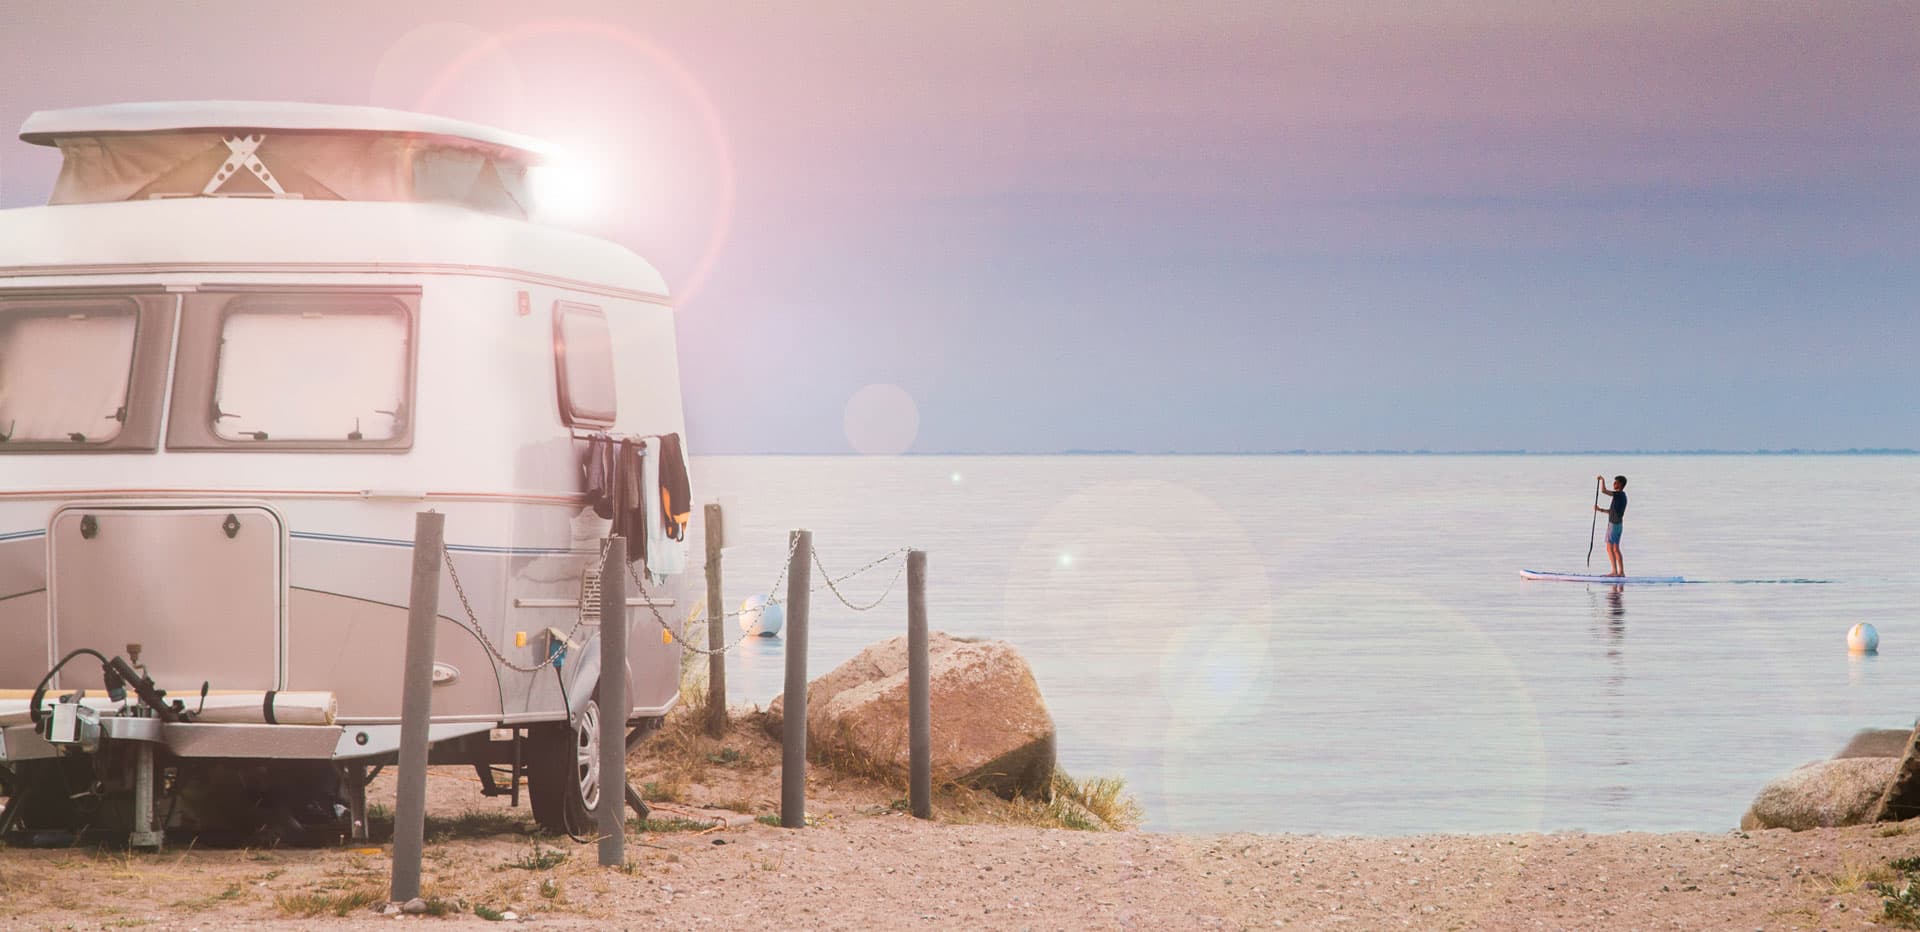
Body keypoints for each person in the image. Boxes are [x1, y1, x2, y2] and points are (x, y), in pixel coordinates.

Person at [1594, 475, 1628, 577]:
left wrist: (1602, 480)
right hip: (1619, 525)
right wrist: (1600, 510)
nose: (1614, 484)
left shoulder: (1618, 495)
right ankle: (1621, 572)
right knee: (1616, 549)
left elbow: (1603, 491)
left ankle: (1614, 572)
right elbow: (1612, 512)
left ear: (1620, 485)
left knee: (1609, 548)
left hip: (1613, 525)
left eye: (1616, 482)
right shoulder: (1623, 496)